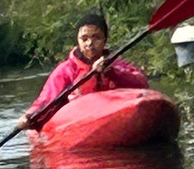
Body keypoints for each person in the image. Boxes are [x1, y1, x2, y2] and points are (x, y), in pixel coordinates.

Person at [17, 10, 149, 130]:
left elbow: (142, 84)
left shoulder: (118, 65)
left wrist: (110, 72)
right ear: (78, 40)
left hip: (115, 120)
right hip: (80, 125)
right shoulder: (66, 70)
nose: (90, 43)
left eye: (96, 37)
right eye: (84, 39)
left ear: (105, 40)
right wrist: (30, 116)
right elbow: (46, 100)